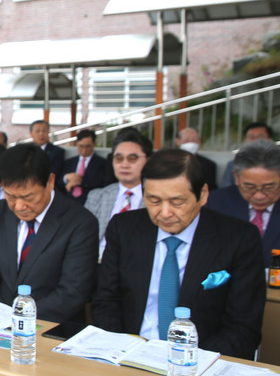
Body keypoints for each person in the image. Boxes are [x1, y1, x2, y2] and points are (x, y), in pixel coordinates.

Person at [92, 149, 265, 360]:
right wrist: (123, 351)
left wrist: (188, 362)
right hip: (129, 356)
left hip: (200, 364)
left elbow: (243, 328)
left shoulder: (238, 238)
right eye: (154, 201)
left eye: (177, 202)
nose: (164, 213)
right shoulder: (124, 228)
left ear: (202, 195)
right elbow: (105, 302)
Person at [0, 143, 98, 324]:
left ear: (50, 182)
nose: (19, 206)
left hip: (50, 329)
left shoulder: (80, 223)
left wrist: (19, 320)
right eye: (11, 196)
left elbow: (72, 292)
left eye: (29, 197)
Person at [206, 139, 280, 267]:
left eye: (268, 187)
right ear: (236, 177)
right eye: (249, 187)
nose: (259, 195)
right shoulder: (214, 203)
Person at [84, 128, 153, 256]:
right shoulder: (97, 196)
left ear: (148, 161)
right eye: (119, 158)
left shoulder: (156, 198)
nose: (124, 165)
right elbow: (83, 238)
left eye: (132, 158)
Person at [62, 129, 109, 204]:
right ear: (76, 144)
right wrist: (66, 178)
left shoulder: (102, 163)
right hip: (68, 201)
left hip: (91, 202)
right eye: (81, 146)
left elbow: (103, 183)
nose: (84, 150)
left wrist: (79, 181)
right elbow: (58, 182)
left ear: (94, 144)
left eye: (88, 146)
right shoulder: (69, 162)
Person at [220, 122, 274, 187]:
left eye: (260, 136)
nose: (255, 140)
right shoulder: (233, 165)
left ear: (270, 139)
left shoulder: (277, 163)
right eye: (251, 137)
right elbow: (225, 190)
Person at [175, 127, 218, 191]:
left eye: (194, 140)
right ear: (178, 141)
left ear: (199, 141)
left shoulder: (209, 165)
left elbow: (211, 189)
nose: (191, 143)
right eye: (187, 140)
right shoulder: (166, 162)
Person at [30, 120, 65, 185]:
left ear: (48, 132)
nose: (41, 134)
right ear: (31, 134)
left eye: (44, 131)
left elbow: (54, 173)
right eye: (38, 131)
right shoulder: (26, 150)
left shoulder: (57, 152)